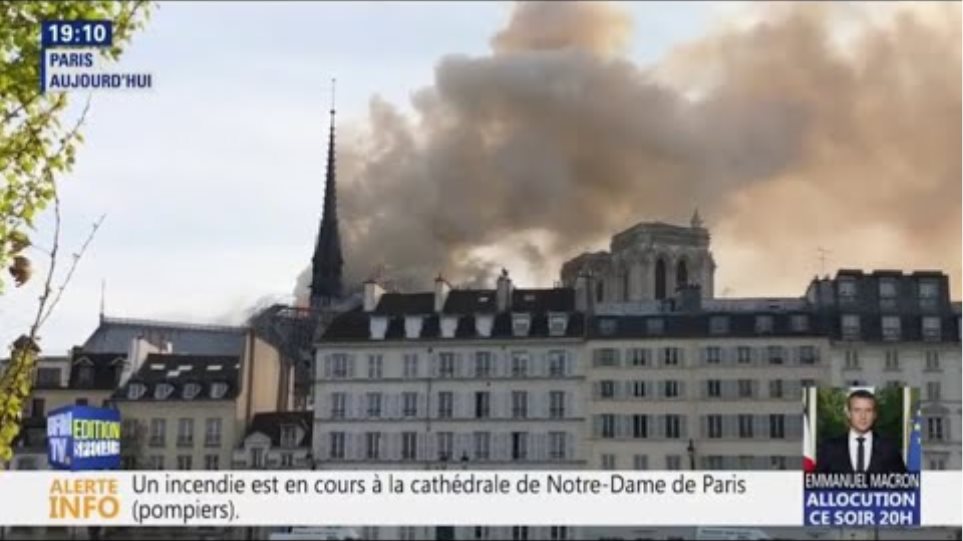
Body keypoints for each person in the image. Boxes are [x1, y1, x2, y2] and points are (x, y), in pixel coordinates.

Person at [815, 389, 907, 474]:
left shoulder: (889, 449)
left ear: (875, 414)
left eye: (868, 410)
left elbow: (903, 486)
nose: (863, 416)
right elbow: (815, 486)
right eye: (857, 410)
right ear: (848, 413)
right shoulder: (829, 448)